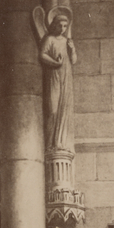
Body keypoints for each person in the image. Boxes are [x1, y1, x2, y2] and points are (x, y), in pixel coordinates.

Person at [38, 10, 77, 152]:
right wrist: (55, 63)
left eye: (65, 26)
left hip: (66, 77)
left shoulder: (67, 41)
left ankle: (61, 142)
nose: (62, 29)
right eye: (60, 25)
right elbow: (42, 55)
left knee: (64, 109)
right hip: (54, 76)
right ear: (54, 25)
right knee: (53, 110)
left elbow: (73, 60)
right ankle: (50, 143)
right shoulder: (50, 39)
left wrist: (72, 50)